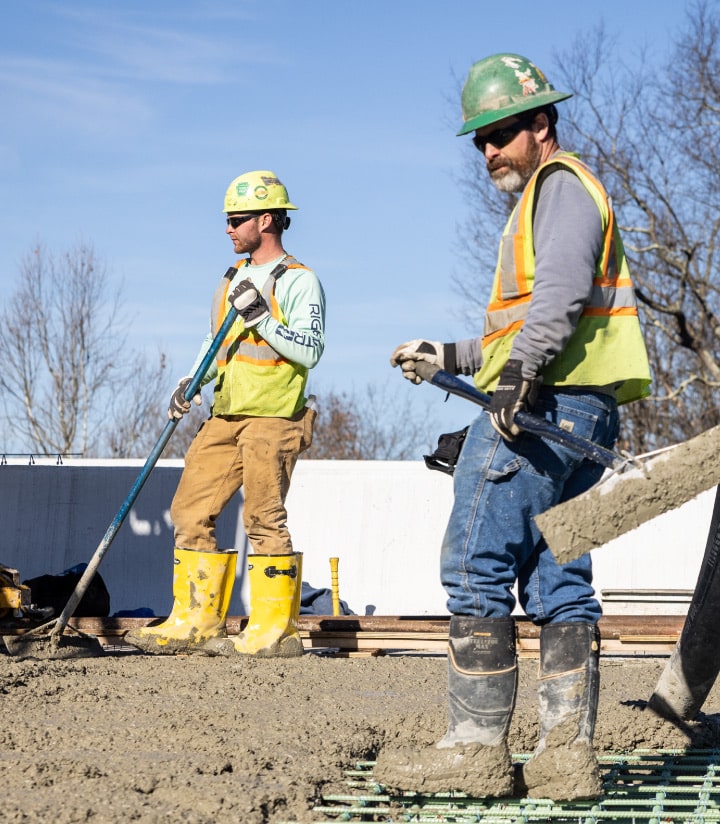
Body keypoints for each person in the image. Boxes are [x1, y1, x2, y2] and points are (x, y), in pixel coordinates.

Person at [376, 54, 651, 800]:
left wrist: (520, 376)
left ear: (541, 124)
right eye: (480, 140)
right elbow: (534, 317)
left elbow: (559, 294)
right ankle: (567, 757)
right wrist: (452, 355)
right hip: (583, 411)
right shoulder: (558, 197)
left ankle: (473, 751)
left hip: (541, 406)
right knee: (563, 581)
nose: (490, 150)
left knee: (475, 559)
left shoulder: (557, 189)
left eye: (501, 133)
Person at [125, 170, 326, 659]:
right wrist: (189, 383)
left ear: (267, 219)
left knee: (264, 517)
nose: (228, 229)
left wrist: (262, 318)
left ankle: (276, 630)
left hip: (274, 419)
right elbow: (214, 343)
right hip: (224, 415)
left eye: (237, 220)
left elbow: (311, 350)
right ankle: (196, 621)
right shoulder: (231, 277)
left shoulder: (300, 281)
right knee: (189, 509)